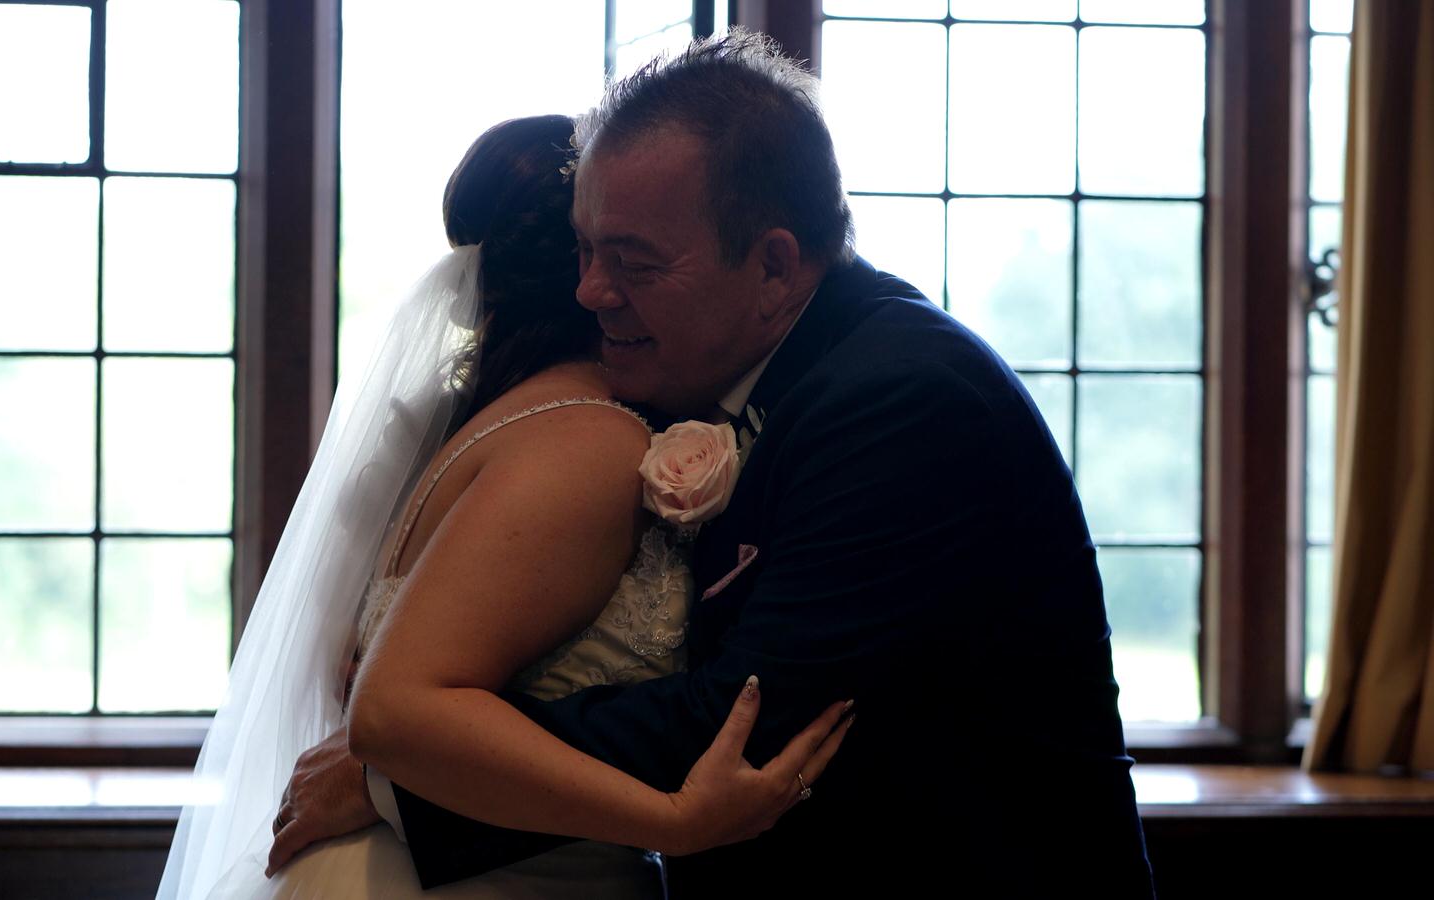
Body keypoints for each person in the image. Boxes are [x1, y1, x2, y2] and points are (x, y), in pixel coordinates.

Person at [353, 32, 1158, 898]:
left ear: (774, 266)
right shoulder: (743, 374)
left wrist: (418, 776)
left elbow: (748, 713)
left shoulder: (905, 400)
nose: (590, 291)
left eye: (633, 262)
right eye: (584, 249)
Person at [156, 113, 850, 900]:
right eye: (613, 253)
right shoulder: (588, 442)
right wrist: (673, 820)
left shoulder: (497, 418)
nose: (604, 281)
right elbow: (392, 713)